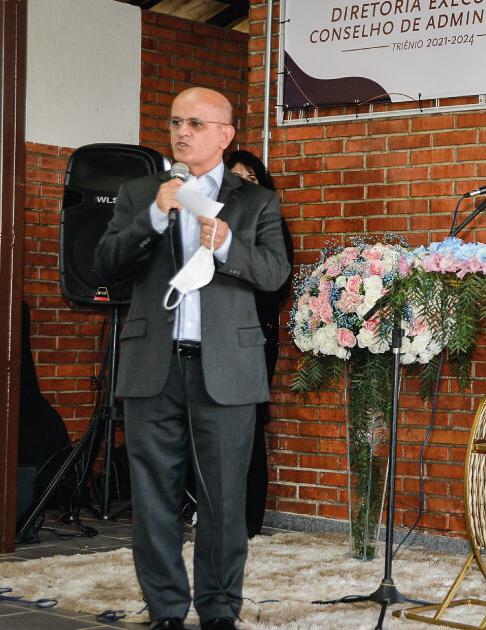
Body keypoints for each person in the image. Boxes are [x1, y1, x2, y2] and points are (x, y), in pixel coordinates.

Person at [94, 87, 290, 630]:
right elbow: (104, 265)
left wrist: (228, 244)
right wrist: (153, 219)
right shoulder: (141, 193)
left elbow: (275, 275)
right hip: (153, 368)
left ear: (226, 136)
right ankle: (165, 610)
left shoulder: (256, 202)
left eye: (197, 123)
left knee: (224, 501)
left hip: (225, 369)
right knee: (153, 499)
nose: (183, 132)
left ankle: (220, 610)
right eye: (176, 121)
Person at [224, 149, 295, 538]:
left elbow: (278, 285)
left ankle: (248, 521)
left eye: (250, 179)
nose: (243, 185)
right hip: (213, 338)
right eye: (235, 178)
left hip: (254, 335)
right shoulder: (210, 221)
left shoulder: (272, 223)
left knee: (248, 427)